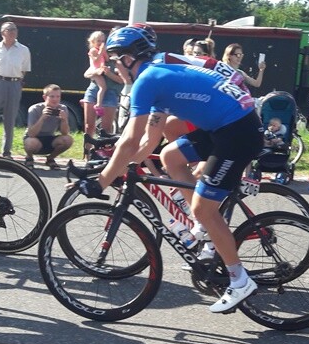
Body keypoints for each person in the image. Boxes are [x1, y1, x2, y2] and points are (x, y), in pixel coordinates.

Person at [88, 26, 263, 313]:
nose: (114, 67)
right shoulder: (158, 70)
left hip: (237, 133)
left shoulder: (147, 80)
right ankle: (203, 226)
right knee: (171, 156)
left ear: (130, 59)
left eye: (116, 60)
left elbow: (131, 140)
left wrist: (102, 181)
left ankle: (239, 280)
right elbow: (148, 142)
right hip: (225, 125)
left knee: (204, 207)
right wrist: (124, 164)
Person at [0, 21, 31, 158]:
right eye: (9, 29)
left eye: (14, 29)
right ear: (2, 32)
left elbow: (24, 69)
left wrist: (16, 80)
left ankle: (6, 152)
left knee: (10, 118)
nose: (13, 32)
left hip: (14, 82)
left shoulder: (23, 49)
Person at [80, 30, 124, 146]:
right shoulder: (96, 52)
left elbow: (122, 80)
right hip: (93, 89)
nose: (101, 43)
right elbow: (87, 73)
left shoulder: (120, 58)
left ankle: (103, 153)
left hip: (111, 92)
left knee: (106, 129)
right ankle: (87, 153)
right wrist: (96, 72)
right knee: (89, 126)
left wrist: (108, 73)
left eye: (103, 41)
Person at [23, 84, 72, 169]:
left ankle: (50, 158)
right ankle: (29, 158)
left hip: (50, 137)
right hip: (35, 138)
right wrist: (42, 118)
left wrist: (64, 120)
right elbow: (31, 134)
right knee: (31, 142)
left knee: (68, 140)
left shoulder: (63, 108)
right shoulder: (35, 109)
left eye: (58, 97)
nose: (55, 99)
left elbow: (65, 133)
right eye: (52, 96)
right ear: (45, 97)